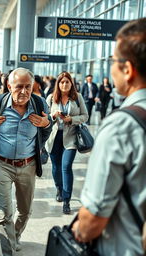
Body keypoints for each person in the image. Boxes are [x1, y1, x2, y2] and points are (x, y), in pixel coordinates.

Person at [72, 18, 146, 255]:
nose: (111, 67)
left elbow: (92, 221)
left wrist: (79, 228)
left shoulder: (122, 126)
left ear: (127, 69)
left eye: (113, 60)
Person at [0, 67, 52, 256]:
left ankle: (15, 235)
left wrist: (46, 124)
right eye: (18, 86)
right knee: (4, 214)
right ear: (9, 85)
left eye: (27, 87)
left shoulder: (39, 104)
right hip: (1, 164)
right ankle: (8, 251)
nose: (23, 92)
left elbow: (47, 129)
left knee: (25, 211)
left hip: (28, 165)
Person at [45, 71, 88, 214]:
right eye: (62, 82)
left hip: (70, 138)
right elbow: (43, 116)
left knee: (66, 166)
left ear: (71, 84)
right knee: (56, 168)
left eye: (67, 82)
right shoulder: (51, 98)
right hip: (54, 137)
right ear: (58, 84)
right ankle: (59, 188)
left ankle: (67, 200)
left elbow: (85, 116)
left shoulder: (77, 97)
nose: (64, 84)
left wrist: (72, 119)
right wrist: (52, 115)